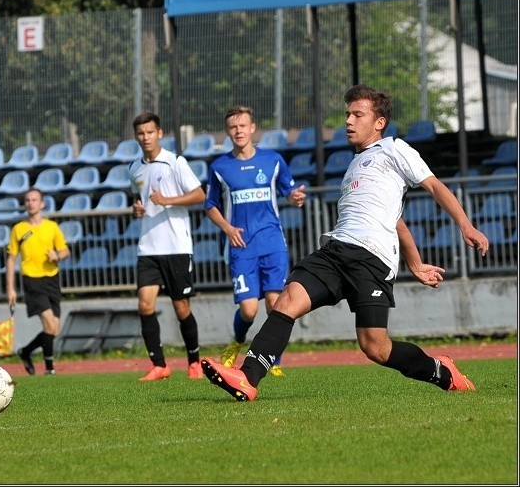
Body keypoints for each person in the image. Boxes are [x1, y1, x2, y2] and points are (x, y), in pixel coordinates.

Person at [201, 84, 490, 401]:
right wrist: (415, 262)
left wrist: (465, 225)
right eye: (347, 114)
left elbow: (434, 187)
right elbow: (396, 221)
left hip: (372, 260)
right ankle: (248, 378)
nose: (349, 121)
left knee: (375, 347)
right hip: (335, 251)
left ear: (378, 122)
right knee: (287, 301)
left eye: (357, 114)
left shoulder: (395, 149)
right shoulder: (354, 165)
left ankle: (442, 371)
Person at [205, 106, 306, 376]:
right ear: (228, 131)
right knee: (249, 310)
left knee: (276, 304)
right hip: (241, 246)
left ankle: (273, 360)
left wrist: (295, 198)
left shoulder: (272, 160)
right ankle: (237, 342)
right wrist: (227, 228)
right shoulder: (219, 167)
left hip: (272, 242)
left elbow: (290, 192)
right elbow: (210, 205)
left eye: (243, 126)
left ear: (252, 128)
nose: (238, 131)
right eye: (233, 127)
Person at [129, 112, 206, 381]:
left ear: (159, 133)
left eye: (150, 132)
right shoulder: (134, 168)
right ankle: (159, 365)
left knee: (181, 307)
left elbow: (199, 194)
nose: (145, 137)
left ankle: (194, 362)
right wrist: (137, 209)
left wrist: (167, 200)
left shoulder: (175, 162)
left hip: (176, 246)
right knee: (145, 304)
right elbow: (138, 199)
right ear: (136, 136)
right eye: (141, 133)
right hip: (148, 247)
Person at [6, 187, 70, 376]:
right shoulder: (19, 229)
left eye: (34, 200)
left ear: (41, 204)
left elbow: (66, 251)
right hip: (32, 281)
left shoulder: (52, 227)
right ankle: (50, 369)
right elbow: (10, 259)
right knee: (49, 325)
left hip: (52, 279)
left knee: (54, 329)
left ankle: (25, 351)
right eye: (27, 200)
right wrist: (10, 288)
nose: (30, 203)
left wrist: (57, 256)